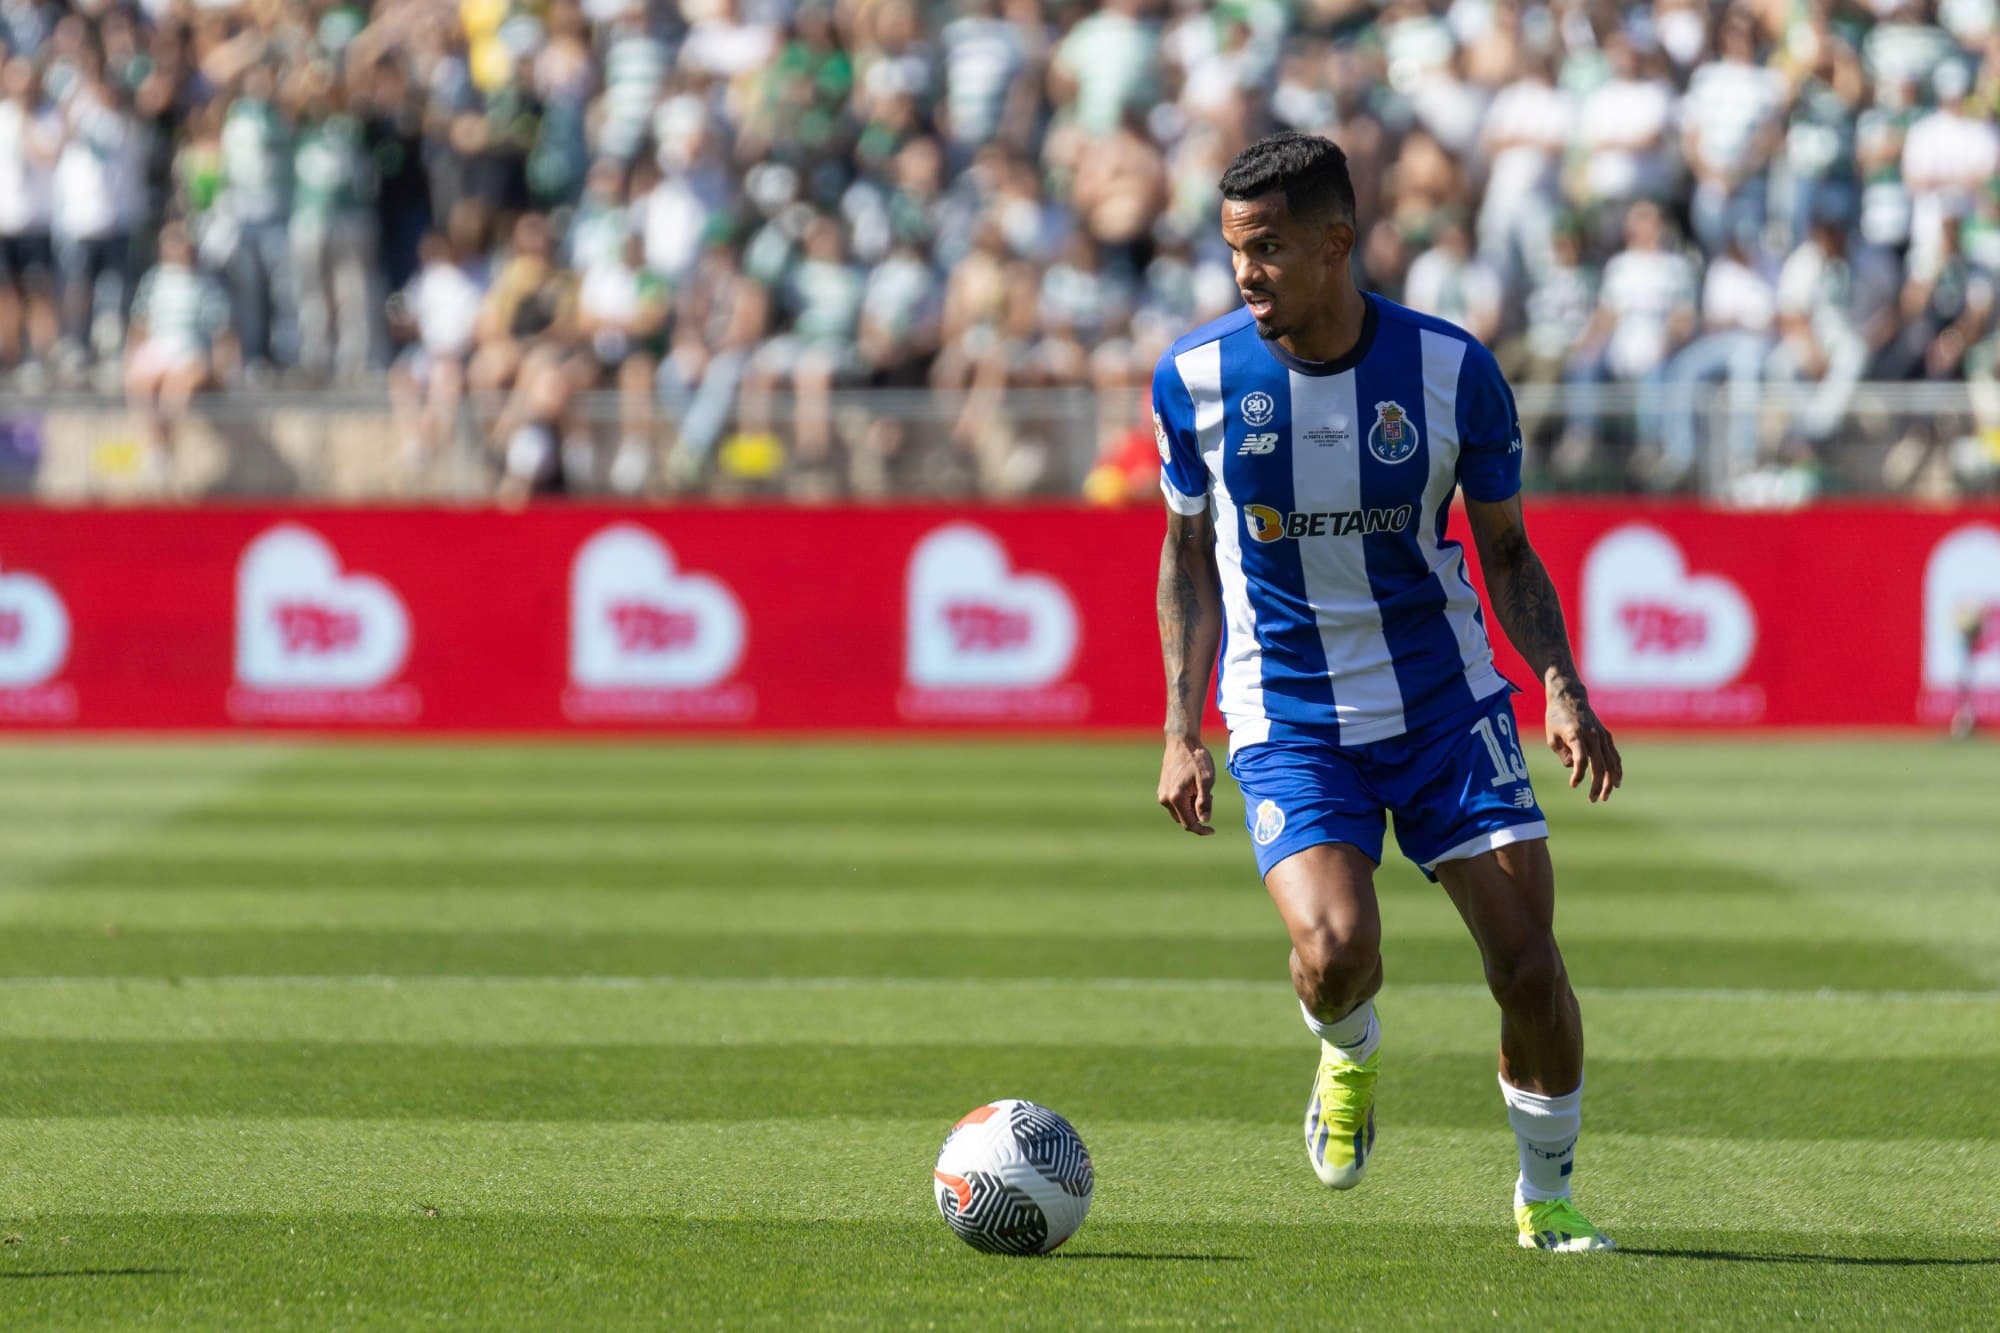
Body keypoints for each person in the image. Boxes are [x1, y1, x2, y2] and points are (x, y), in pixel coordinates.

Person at [1152, 133, 1623, 1253]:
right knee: (1331, 948)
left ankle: (1543, 1197)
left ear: (1335, 243)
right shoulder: (1197, 378)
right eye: (1232, 252)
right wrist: (1178, 727)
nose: (1245, 274)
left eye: (1265, 249)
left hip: (1442, 703)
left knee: (1525, 960)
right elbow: (1180, 557)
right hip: (1288, 713)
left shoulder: (1450, 371)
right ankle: (1347, 1048)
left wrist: (1557, 682)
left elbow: (1505, 554)